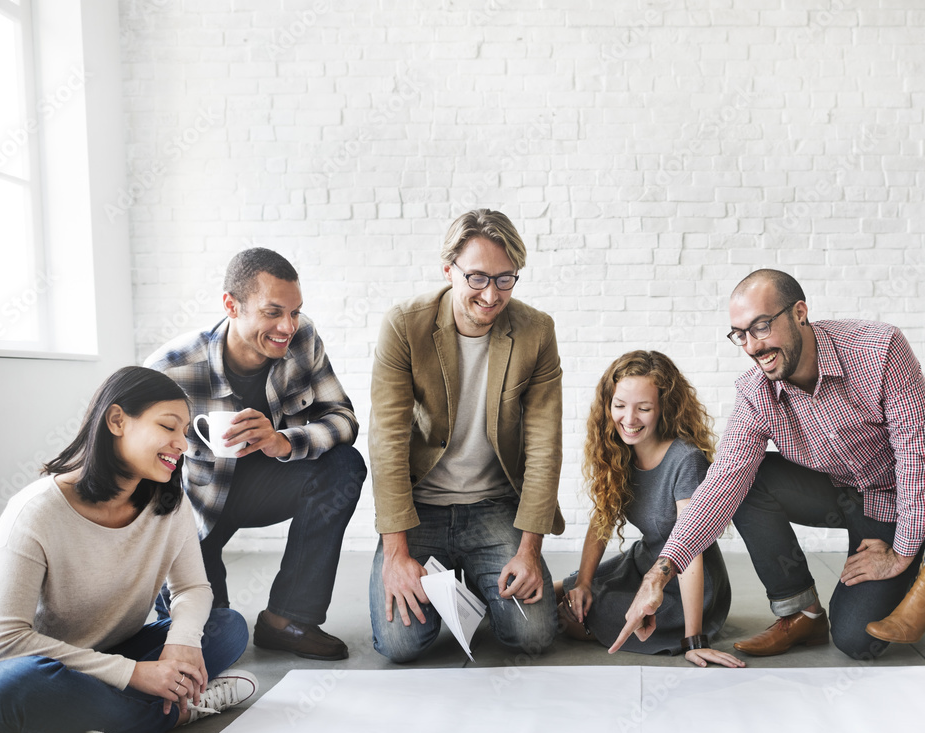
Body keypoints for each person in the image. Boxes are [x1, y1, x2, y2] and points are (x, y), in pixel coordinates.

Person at [0, 367, 256, 733]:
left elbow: (191, 586)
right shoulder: (36, 512)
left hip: (90, 660)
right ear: (116, 421)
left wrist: (182, 643)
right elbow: (2, 642)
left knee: (226, 628)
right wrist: (134, 673)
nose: (182, 443)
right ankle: (171, 716)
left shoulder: (168, 502)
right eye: (168, 427)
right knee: (33, 683)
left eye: (186, 430)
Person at [612, 269, 925, 661]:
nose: (752, 346)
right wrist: (658, 575)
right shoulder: (756, 393)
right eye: (739, 334)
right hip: (848, 495)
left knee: (857, 641)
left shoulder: (879, 350)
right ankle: (802, 613)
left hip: (907, 494)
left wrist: (902, 552)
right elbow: (722, 483)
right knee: (744, 480)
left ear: (799, 313)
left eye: (761, 327)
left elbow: (916, 459)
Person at [147, 248, 365, 661]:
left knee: (344, 465)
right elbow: (142, 476)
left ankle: (287, 620)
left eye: (296, 311)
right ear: (231, 305)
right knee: (213, 642)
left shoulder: (302, 339)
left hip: (269, 486)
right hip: (197, 510)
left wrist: (286, 441)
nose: (288, 326)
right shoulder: (170, 369)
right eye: (273, 312)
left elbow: (343, 418)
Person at [368, 208, 563, 662]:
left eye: (505, 279)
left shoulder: (536, 331)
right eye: (476, 278)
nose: (491, 295)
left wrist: (529, 550)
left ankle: (478, 574)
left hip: (493, 507)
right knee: (400, 644)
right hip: (421, 509)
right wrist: (397, 555)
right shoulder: (404, 325)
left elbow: (544, 446)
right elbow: (387, 444)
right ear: (448, 271)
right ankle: (456, 579)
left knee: (532, 636)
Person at [557, 351, 742, 668]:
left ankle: (675, 628)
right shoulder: (618, 451)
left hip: (686, 586)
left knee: (574, 615)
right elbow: (602, 518)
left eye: (643, 408)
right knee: (562, 591)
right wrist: (584, 582)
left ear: (663, 409)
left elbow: (692, 552)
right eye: (619, 406)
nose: (629, 420)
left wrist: (694, 640)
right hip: (641, 562)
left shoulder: (686, 460)